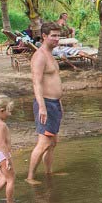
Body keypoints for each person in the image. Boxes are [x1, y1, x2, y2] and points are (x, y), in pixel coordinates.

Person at [27, 22, 64, 185]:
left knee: (53, 142)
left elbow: (54, 80)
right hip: (46, 105)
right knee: (43, 143)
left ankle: (49, 173)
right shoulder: (40, 56)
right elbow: (36, 82)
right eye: (53, 36)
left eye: (58, 35)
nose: (57, 39)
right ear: (44, 36)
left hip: (54, 103)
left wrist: (59, 101)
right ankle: (30, 178)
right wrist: (42, 107)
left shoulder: (51, 54)